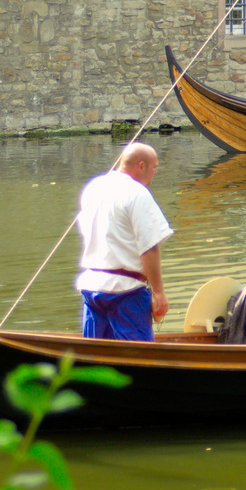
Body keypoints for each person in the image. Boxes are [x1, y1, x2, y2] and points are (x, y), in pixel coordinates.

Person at [75, 142, 172, 342]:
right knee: (138, 357)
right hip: (125, 291)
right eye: (154, 167)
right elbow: (149, 247)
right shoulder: (137, 193)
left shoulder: (93, 187)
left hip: (92, 286)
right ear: (141, 165)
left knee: (95, 354)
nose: (155, 172)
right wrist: (159, 292)